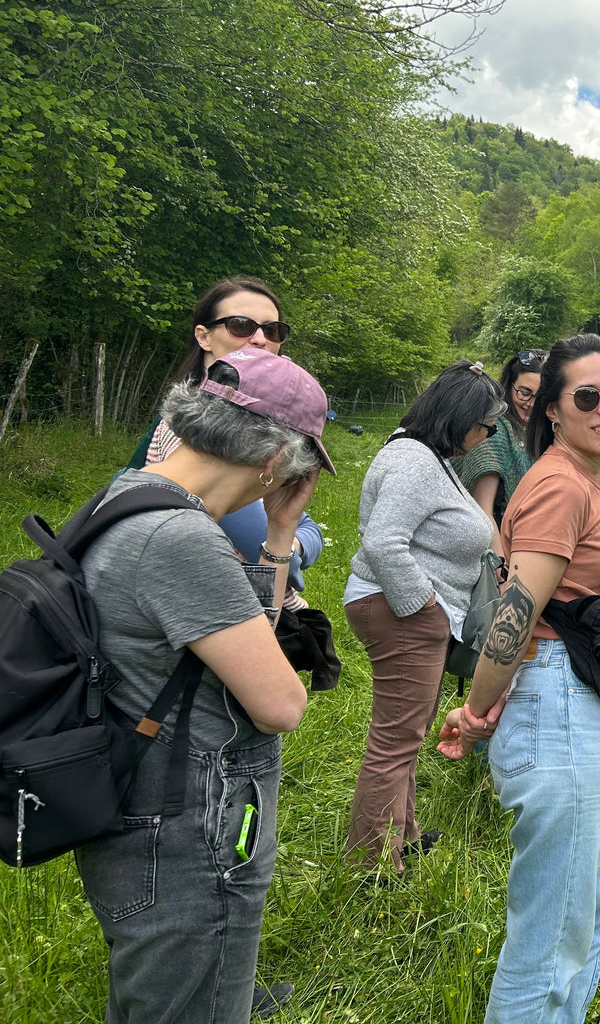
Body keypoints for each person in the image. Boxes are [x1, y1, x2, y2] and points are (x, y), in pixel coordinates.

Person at [75, 346, 330, 1022]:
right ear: (274, 460)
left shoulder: (127, 496)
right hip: (190, 834)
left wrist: (279, 534)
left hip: (137, 812)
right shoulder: (180, 538)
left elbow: (239, 642)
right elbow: (280, 704)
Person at [436, 333, 600, 1024]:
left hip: (566, 704)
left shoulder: (575, 479)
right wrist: (476, 712)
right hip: (559, 710)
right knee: (549, 938)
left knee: (598, 891)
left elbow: (544, 597)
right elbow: (515, 616)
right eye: (588, 396)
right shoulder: (559, 484)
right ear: (551, 409)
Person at [343, 361, 502, 873]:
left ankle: (402, 836)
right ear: (459, 417)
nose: (487, 437)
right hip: (402, 611)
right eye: (485, 426)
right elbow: (382, 542)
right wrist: (427, 610)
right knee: (394, 741)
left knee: (408, 733)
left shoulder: (427, 456)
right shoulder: (414, 462)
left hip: (410, 613)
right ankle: (371, 865)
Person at [129, 278, 324, 611]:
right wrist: (287, 542)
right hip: (226, 610)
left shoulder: (225, 421)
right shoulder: (197, 433)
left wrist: (291, 536)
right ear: (203, 336)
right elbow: (279, 557)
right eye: (241, 325)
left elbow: (307, 527)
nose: (260, 339)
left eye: (273, 330)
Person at [460, 349, 545, 546]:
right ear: (509, 386)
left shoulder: (541, 433)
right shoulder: (492, 432)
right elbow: (483, 511)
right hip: (492, 544)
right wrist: (501, 563)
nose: (531, 404)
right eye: (524, 393)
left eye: (540, 397)